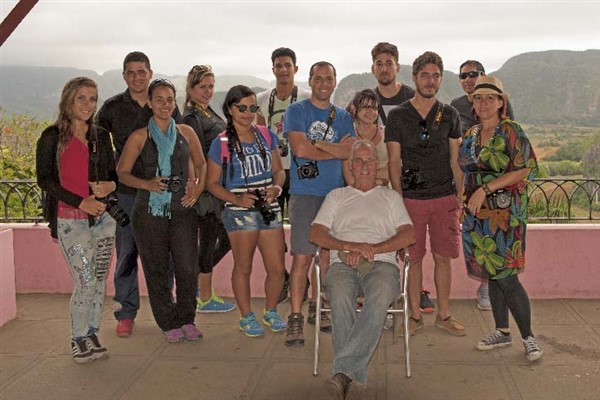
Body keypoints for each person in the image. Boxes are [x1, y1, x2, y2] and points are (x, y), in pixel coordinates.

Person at [310, 140, 415, 398]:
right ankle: (350, 373)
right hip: (343, 262)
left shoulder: (390, 197)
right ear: (350, 166)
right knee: (340, 295)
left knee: (379, 297)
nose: (364, 165)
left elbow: (408, 234)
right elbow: (316, 233)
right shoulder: (337, 196)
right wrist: (349, 246)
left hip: (382, 262)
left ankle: (342, 373)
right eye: (358, 161)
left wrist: (373, 249)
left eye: (369, 160)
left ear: (377, 164)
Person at [96, 51, 181, 337]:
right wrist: (104, 183)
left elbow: (180, 143)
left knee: (165, 255)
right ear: (124, 76)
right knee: (127, 254)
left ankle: (166, 308)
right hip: (127, 193)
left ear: (150, 72)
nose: (136, 77)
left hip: (163, 194)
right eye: (131, 72)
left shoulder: (165, 103)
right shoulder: (112, 108)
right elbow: (97, 147)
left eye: (141, 71)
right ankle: (126, 312)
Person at [459, 76, 542, 362]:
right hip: (476, 215)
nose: (483, 103)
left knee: (507, 276)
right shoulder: (470, 134)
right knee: (491, 271)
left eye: (490, 98)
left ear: (500, 103)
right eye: (478, 98)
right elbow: (465, 172)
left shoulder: (510, 130)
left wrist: (486, 189)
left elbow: (525, 168)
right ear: (473, 104)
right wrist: (463, 199)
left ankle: (529, 337)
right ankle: (502, 331)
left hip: (505, 215)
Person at [117, 79, 205, 343]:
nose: (165, 105)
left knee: (187, 268)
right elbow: (122, 172)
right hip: (149, 211)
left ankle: (187, 318)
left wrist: (197, 187)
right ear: (149, 102)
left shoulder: (186, 132)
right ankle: (168, 322)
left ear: (175, 102)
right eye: (159, 100)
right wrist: (146, 183)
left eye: (169, 99)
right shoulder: (139, 136)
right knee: (156, 270)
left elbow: (201, 164)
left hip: (183, 208)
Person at [36, 77, 117, 363]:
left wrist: (109, 186)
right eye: (81, 97)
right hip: (71, 220)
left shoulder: (100, 136)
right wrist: (81, 202)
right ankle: (78, 337)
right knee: (86, 281)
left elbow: (113, 175)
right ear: (68, 99)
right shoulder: (52, 137)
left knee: (99, 281)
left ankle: (92, 333)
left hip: (103, 220)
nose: (88, 104)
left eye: (92, 98)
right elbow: (45, 179)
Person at [386, 51, 466, 337]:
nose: (430, 81)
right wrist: (398, 201)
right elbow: (393, 162)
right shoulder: (398, 116)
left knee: (443, 257)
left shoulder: (449, 114)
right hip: (411, 200)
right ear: (414, 77)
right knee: (413, 259)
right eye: (425, 75)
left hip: (444, 197)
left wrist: (460, 197)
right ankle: (415, 317)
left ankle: (444, 315)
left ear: (440, 79)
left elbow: (456, 160)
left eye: (435, 76)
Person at [205, 85, 288, 338]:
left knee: (277, 267)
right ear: (230, 109)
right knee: (243, 266)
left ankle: (271, 310)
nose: (248, 113)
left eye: (252, 107)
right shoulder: (221, 142)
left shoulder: (265, 135)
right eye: (242, 108)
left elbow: (279, 171)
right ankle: (246, 316)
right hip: (238, 211)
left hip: (268, 206)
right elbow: (211, 183)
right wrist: (236, 199)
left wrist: (276, 188)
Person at [283, 61, 355, 347]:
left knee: (326, 257)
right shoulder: (296, 111)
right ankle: (295, 317)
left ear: (335, 82)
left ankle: (319, 306)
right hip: (305, 194)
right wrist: (333, 148)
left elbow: (349, 152)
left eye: (329, 78)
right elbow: (300, 149)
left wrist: (319, 145)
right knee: (302, 258)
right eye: (319, 78)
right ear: (310, 80)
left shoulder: (343, 117)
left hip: (335, 195)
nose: (324, 83)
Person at [371, 42, 434, 314]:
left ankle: (416, 289)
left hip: (411, 181)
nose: (384, 68)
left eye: (389, 63)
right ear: (373, 68)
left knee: (411, 238)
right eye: (379, 63)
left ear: (398, 66)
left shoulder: (413, 97)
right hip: (377, 182)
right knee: (379, 235)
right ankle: (381, 290)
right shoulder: (366, 100)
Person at [451, 60, 515, 311]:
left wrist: (488, 188)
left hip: (499, 198)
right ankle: (499, 321)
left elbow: (517, 160)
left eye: (473, 74)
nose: (468, 79)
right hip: (472, 194)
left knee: (502, 257)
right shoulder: (457, 109)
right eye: (463, 75)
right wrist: (459, 190)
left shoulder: (507, 123)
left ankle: (495, 295)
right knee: (481, 246)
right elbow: (456, 153)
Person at [256, 47, 311, 304]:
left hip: (300, 173)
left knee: (302, 229)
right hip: (272, 173)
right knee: (272, 230)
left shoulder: (307, 98)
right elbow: (256, 135)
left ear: (295, 68)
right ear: (273, 69)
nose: (283, 70)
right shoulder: (261, 100)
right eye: (279, 65)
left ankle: (303, 280)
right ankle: (282, 278)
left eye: (288, 65)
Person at [182, 65, 235, 314]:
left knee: (224, 238)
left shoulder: (208, 111)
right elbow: (191, 154)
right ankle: (204, 297)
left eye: (211, 86)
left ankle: (194, 282)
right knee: (208, 241)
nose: (208, 91)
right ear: (191, 88)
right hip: (206, 189)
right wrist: (197, 184)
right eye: (202, 86)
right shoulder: (191, 117)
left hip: (218, 184)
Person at [346, 89, 389, 187]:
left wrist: (362, 175)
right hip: (357, 193)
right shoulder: (348, 137)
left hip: (386, 192)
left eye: (375, 108)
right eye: (366, 107)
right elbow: (350, 178)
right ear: (354, 108)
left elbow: (394, 168)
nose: (371, 112)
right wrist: (380, 180)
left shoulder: (387, 133)